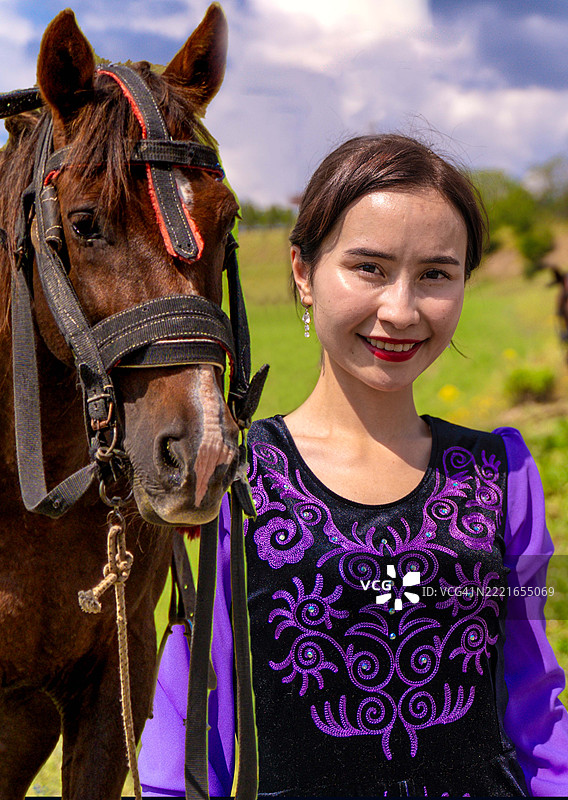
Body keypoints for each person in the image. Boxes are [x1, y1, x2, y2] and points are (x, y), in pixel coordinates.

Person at [138, 134, 568, 797]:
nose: (400, 309)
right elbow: (184, 740)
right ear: (304, 274)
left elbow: (536, 711)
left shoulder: (502, 478)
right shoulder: (233, 480)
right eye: (369, 267)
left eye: (435, 273)